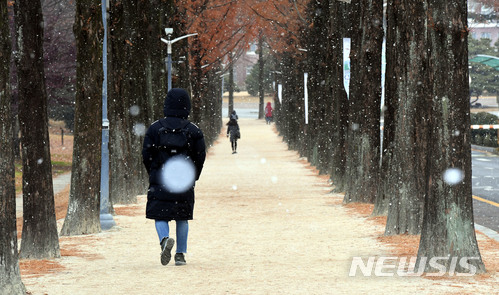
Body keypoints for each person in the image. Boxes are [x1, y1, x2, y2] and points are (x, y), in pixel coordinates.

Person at [142, 88, 206, 266]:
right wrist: (193, 175)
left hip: (160, 178)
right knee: (182, 216)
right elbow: (200, 156)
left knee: (159, 214)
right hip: (183, 179)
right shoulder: (193, 130)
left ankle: (164, 240)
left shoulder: (155, 128)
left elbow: (146, 154)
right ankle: (180, 254)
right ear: (187, 106)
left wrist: (153, 172)